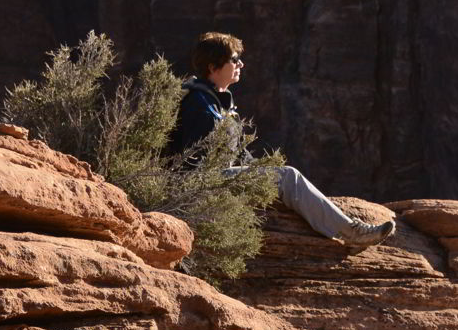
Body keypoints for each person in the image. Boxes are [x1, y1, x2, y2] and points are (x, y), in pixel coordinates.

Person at [168, 31, 395, 248]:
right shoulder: (198, 105)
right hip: (197, 186)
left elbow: (238, 156)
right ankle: (352, 232)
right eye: (234, 59)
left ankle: (338, 221)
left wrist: (262, 172)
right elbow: (189, 161)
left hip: (213, 180)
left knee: (280, 175)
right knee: (287, 177)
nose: (241, 64)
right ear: (213, 66)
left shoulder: (219, 103)